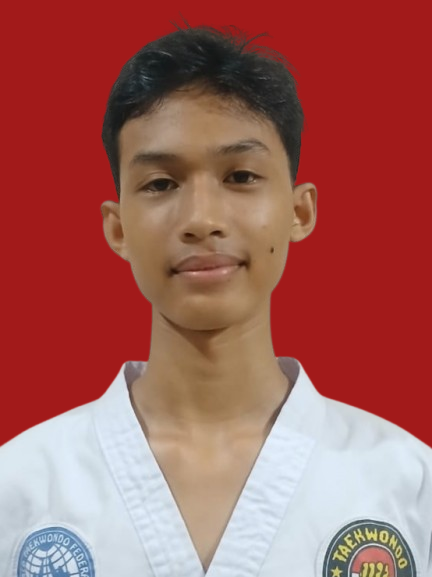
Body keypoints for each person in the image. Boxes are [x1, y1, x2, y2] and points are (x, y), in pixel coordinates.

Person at [0, 21, 431, 577]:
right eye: (161, 184)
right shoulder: (21, 487)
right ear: (117, 228)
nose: (202, 219)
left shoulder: (406, 484)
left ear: (299, 211)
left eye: (241, 176)